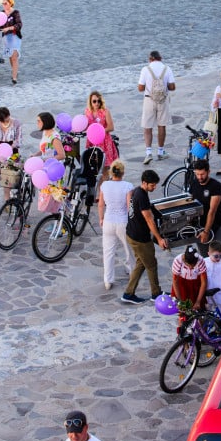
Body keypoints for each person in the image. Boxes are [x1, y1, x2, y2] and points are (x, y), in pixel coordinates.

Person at [121, 168, 168, 304]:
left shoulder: (137, 191)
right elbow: (149, 219)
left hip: (131, 233)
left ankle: (128, 293)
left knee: (141, 263)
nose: (154, 187)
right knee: (151, 264)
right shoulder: (141, 196)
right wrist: (159, 239)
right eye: (152, 185)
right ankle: (156, 293)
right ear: (144, 183)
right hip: (140, 238)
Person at [98, 158, 133, 291]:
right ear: (123, 173)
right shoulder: (127, 186)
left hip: (108, 220)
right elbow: (129, 206)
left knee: (108, 252)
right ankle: (131, 271)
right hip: (123, 222)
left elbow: (101, 204)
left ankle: (108, 279)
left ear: (111, 172)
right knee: (128, 249)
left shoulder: (105, 186)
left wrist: (101, 218)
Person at [138, 50, 176, 164]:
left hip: (149, 99)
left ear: (150, 59)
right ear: (161, 58)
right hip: (163, 100)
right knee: (162, 125)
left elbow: (140, 88)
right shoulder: (167, 69)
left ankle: (148, 152)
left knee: (147, 126)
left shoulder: (145, 69)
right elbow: (173, 87)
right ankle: (160, 151)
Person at [189, 158, 221, 256]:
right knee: (205, 257)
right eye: (197, 174)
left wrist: (206, 232)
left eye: (202, 174)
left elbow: (212, 211)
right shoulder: (194, 183)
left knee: (216, 255)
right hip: (200, 226)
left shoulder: (215, 186)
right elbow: (190, 202)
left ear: (208, 172)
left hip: (217, 225)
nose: (199, 177)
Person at [85, 91, 117, 178]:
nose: (97, 103)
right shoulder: (87, 112)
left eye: (99, 101)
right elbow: (86, 126)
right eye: (94, 101)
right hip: (92, 141)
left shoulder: (105, 112)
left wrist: (100, 131)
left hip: (104, 141)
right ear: (90, 102)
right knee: (93, 165)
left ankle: (103, 188)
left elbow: (111, 127)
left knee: (104, 168)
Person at [171, 244, 207, 310]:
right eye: (189, 265)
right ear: (184, 260)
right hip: (182, 286)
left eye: (193, 266)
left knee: (199, 311)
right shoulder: (178, 261)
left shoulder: (200, 261)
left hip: (196, 287)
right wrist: (179, 301)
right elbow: (175, 281)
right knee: (183, 312)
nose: (191, 267)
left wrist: (198, 301)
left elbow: (204, 282)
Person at [0, 0, 22, 84]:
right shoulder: (2, 13)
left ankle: (14, 77)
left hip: (15, 36)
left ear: (10, 4)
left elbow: (19, 24)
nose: (3, 5)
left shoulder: (15, 13)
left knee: (14, 57)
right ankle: (14, 71)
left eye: (5, 3)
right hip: (6, 38)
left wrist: (9, 28)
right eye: (3, 3)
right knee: (10, 57)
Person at [203, 240, 221, 313]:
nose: (218, 258)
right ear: (209, 253)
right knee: (207, 312)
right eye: (216, 256)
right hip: (207, 294)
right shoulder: (204, 263)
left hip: (220, 293)